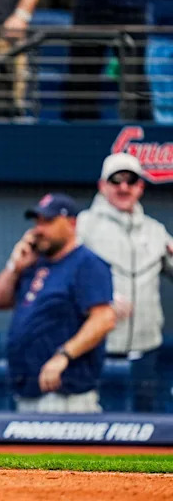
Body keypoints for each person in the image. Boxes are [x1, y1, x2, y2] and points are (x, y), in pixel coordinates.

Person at [0, 193, 116, 413]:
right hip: (28, 389)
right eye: (37, 222)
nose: (39, 229)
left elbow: (104, 319)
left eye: (48, 222)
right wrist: (14, 267)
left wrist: (63, 355)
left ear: (71, 223)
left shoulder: (87, 263)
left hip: (65, 392)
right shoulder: (33, 263)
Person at [76, 153, 173, 411]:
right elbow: (64, 277)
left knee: (144, 422)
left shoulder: (155, 230)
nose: (123, 187)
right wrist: (103, 298)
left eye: (131, 181)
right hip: (96, 344)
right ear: (102, 185)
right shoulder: (83, 225)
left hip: (145, 347)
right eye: (115, 180)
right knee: (95, 424)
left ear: (140, 186)